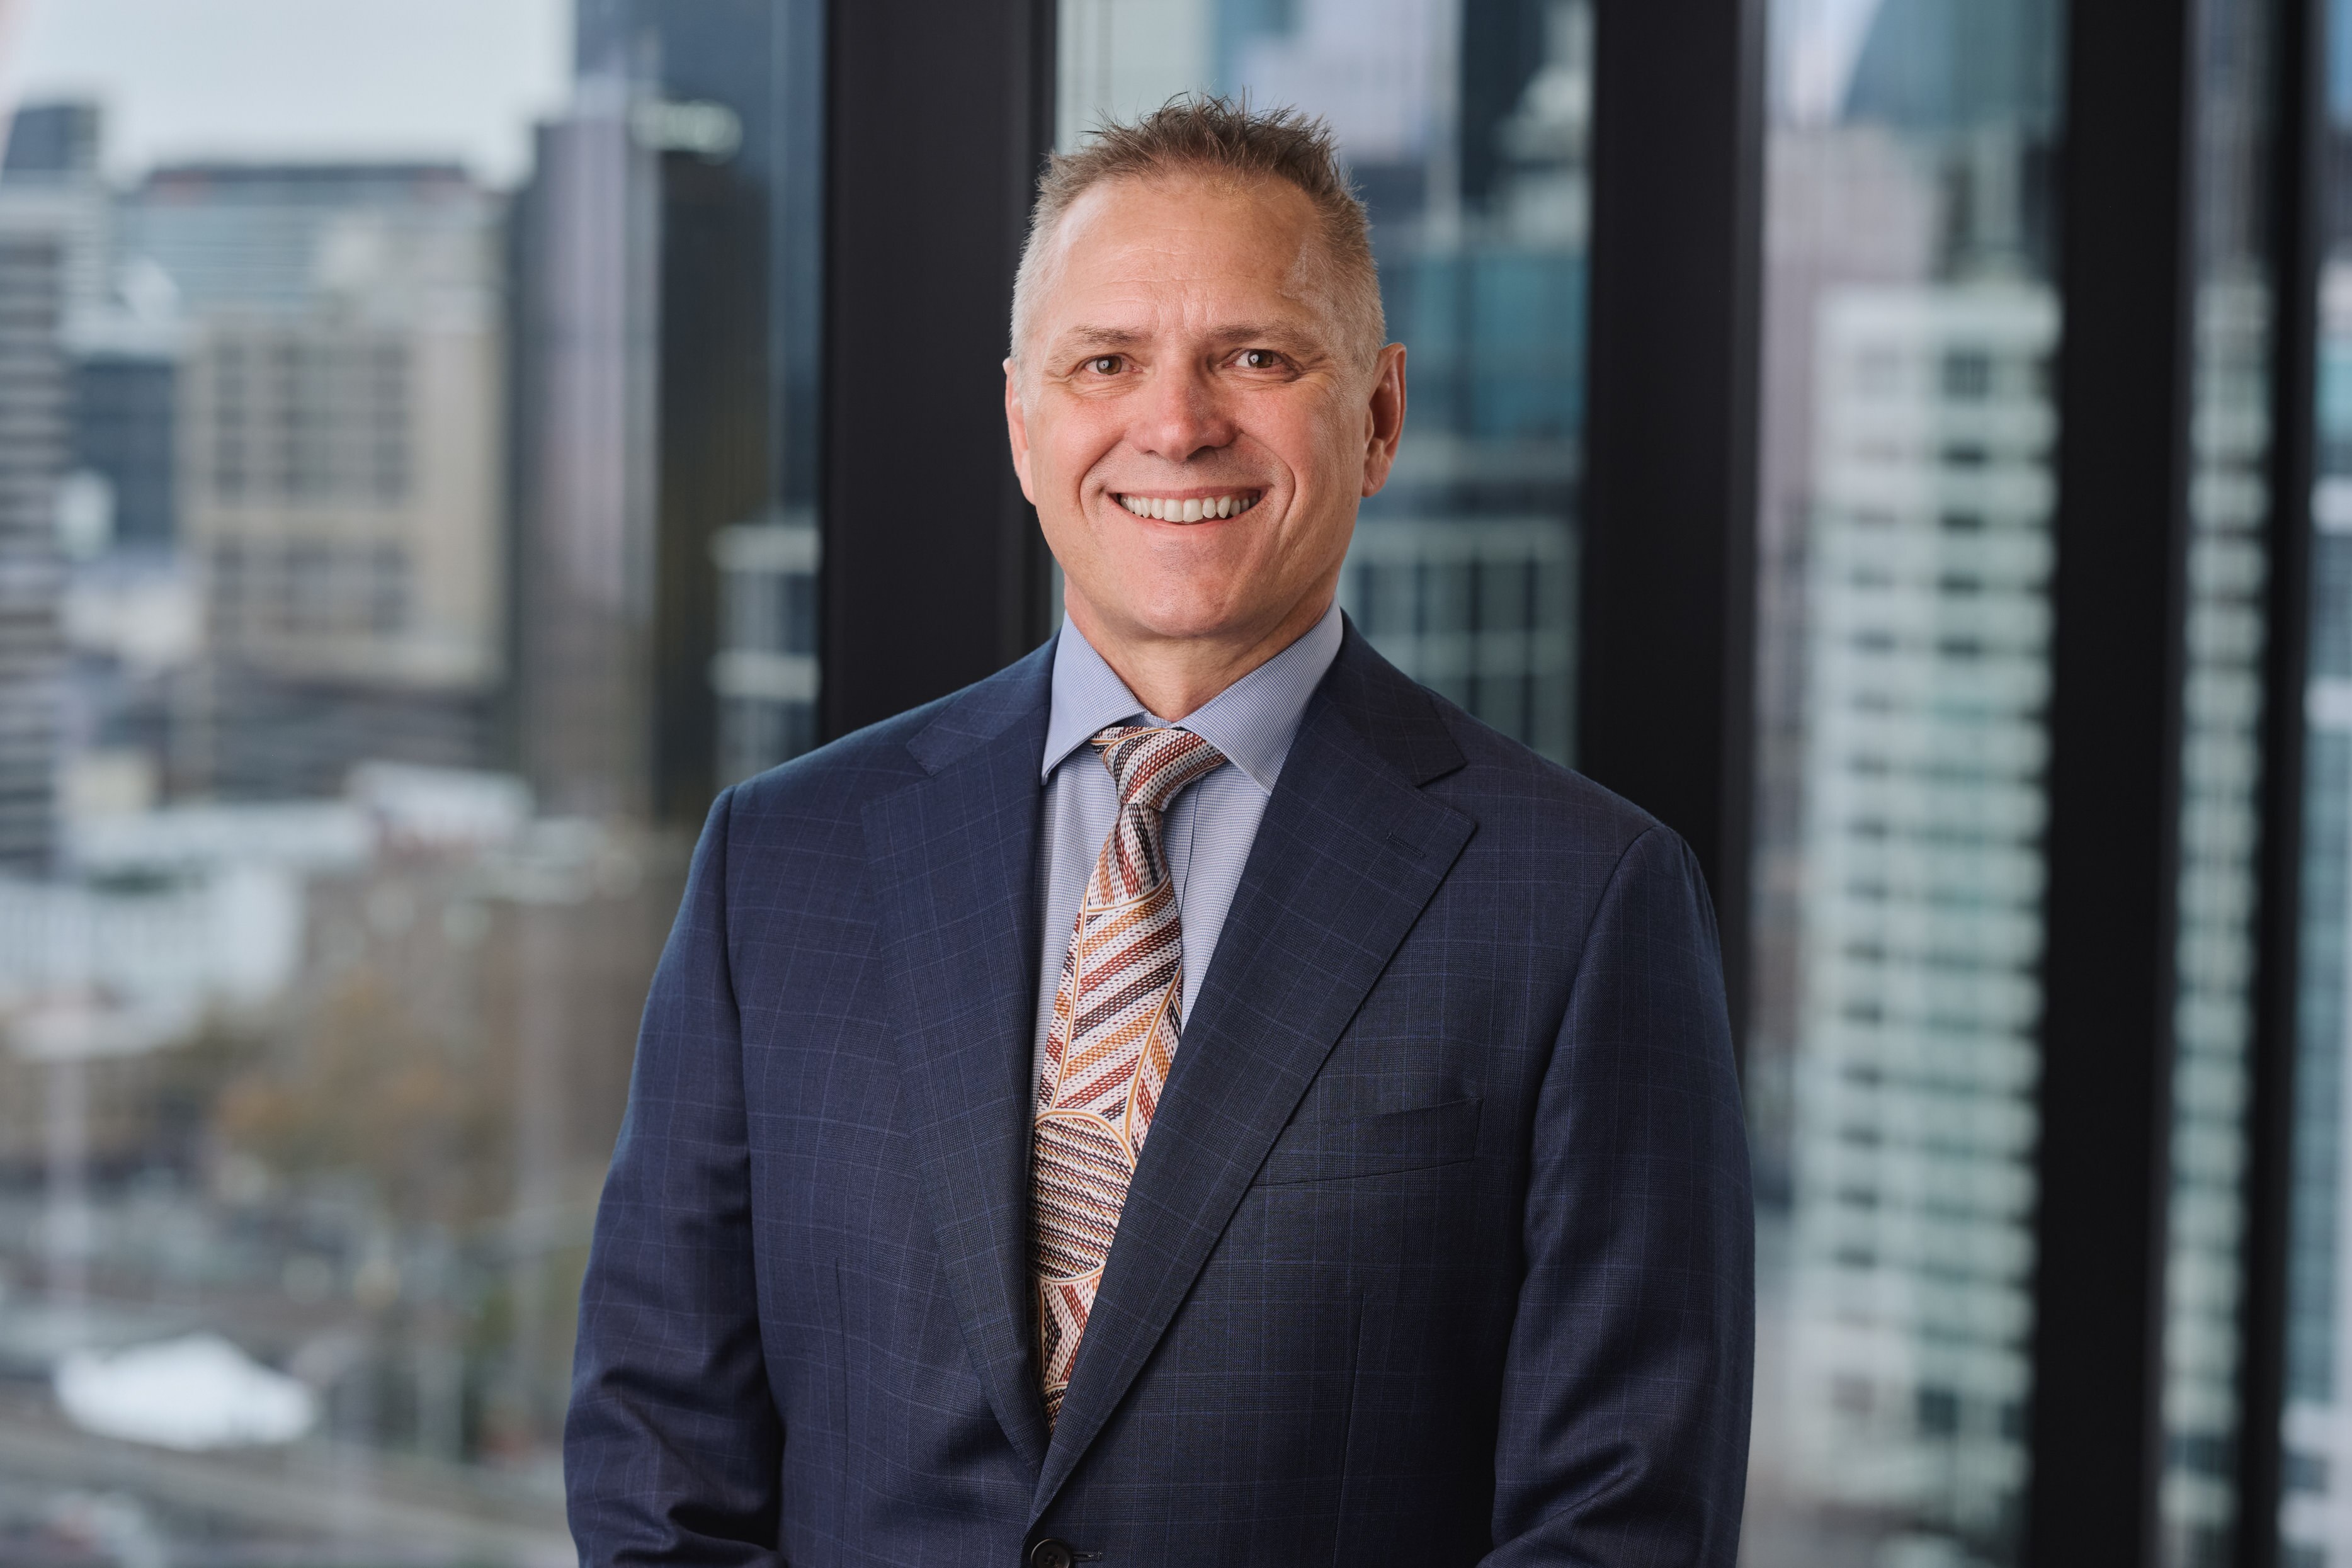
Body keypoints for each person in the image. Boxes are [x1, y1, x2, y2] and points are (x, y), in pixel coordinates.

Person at [564, 96, 1752, 1566]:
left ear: (1374, 416)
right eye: (1105, 362)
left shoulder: (1584, 902)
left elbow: (1617, 1518)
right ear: (1022, 421)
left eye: (1253, 357)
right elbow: (657, 1452)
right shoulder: (780, 862)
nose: (1176, 424)